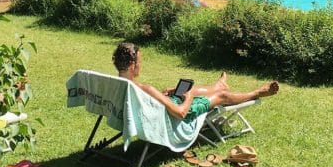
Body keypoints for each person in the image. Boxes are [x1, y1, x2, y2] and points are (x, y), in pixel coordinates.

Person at [112, 42, 278, 122]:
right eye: (140, 62)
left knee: (185, 90)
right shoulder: (145, 88)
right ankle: (257, 92)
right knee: (221, 96)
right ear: (133, 65)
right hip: (170, 118)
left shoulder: (114, 84)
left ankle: (217, 85)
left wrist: (162, 95)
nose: (141, 65)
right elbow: (180, 113)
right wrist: (189, 97)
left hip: (154, 111)